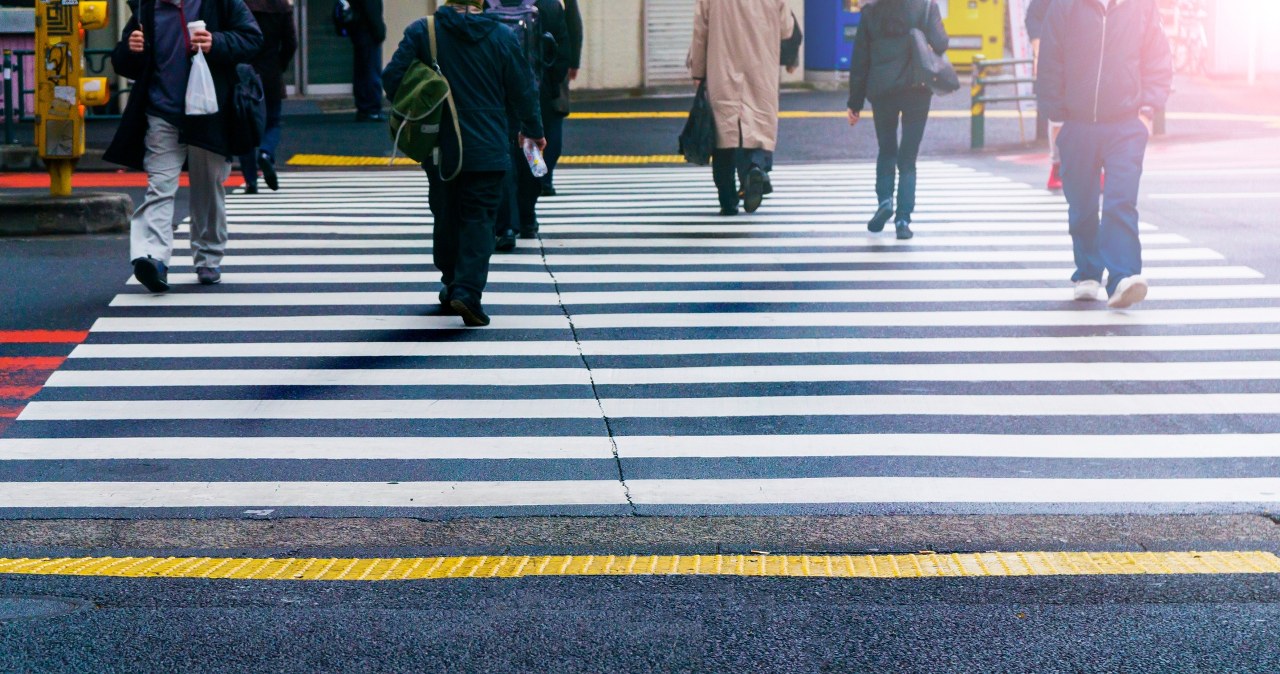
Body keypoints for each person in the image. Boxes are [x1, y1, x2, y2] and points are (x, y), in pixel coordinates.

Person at [382, 0, 544, 327]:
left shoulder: (424, 32)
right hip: (488, 144)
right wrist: (533, 131)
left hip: (441, 143)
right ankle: (467, 291)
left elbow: (391, 79)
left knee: (445, 211)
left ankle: (449, 279)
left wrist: (425, 91)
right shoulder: (501, 36)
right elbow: (523, 89)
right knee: (479, 217)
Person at [105, 0, 263, 291]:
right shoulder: (146, 8)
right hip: (162, 111)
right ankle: (153, 258)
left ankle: (208, 258)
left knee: (208, 188)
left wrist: (217, 41)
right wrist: (131, 48)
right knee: (160, 186)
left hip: (209, 113)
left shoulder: (221, 3)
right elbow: (124, 61)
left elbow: (253, 38)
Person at [1037, 0, 1172, 309]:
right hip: (1076, 122)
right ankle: (1087, 272)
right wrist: (1057, 116)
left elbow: (1158, 59)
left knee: (1120, 200)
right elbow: (1050, 60)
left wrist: (1148, 111)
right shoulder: (1066, 7)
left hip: (1126, 124)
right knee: (1082, 203)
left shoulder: (1142, 8)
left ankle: (1123, 277)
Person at [846, 0, 948, 241]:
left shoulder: (871, 11)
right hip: (917, 90)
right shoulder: (925, 6)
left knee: (887, 149)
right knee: (908, 158)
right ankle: (903, 219)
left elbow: (860, 59)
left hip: (882, 90)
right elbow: (942, 43)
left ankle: (884, 200)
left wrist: (855, 102)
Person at [688, 0, 796, 216]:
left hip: (722, 66)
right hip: (760, 67)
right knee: (755, 126)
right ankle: (754, 168)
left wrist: (698, 71)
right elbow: (786, 29)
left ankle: (728, 202)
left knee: (723, 134)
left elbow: (701, 31)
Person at [494, 0, 572, 251]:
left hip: (497, 94)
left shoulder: (487, 4)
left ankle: (506, 223)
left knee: (502, 154)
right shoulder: (549, 6)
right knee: (531, 151)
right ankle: (528, 217)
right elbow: (562, 53)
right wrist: (547, 84)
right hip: (537, 90)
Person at [238, 0, 297, 194]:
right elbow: (291, 43)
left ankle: (250, 181)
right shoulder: (281, 6)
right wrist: (280, 64)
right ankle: (266, 152)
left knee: (245, 125)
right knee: (273, 121)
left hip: (245, 71)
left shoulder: (241, 4)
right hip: (271, 70)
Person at [541, 0, 583, 197]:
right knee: (553, 122)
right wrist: (572, 62)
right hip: (554, 66)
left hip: (516, 69)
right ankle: (545, 179)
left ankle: (529, 178)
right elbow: (574, 24)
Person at [1026, 0, 1064, 190]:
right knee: (1056, 117)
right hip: (1054, 59)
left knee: (1095, 116)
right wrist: (1038, 46)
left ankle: (1097, 169)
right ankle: (1056, 166)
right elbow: (1033, 17)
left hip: (1088, 59)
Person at [349, 0, 386, 121]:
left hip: (359, 32)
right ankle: (372, 109)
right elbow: (372, 12)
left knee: (362, 71)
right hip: (368, 33)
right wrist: (380, 32)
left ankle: (364, 107)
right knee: (371, 71)